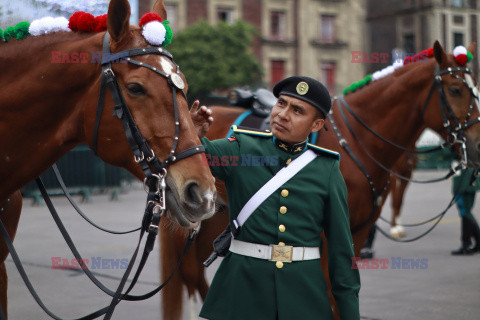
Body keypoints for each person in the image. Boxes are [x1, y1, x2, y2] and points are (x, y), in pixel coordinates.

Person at [190, 76, 360, 320]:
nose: (282, 114)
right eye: (281, 103)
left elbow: (342, 253)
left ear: (316, 125)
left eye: (297, 110)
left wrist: (349, 314)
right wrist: (191, 135)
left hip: (304, 298)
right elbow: (187, 158)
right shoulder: (240, 149)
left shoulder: (327, 170)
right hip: (241, 296)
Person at [451, 166, 480, 255]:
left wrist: (463, 186)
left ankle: (466, 245)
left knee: (465, 211)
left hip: (467, 183)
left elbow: (472, 162)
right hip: (460, 181)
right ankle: (477, 242)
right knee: (464, 211)